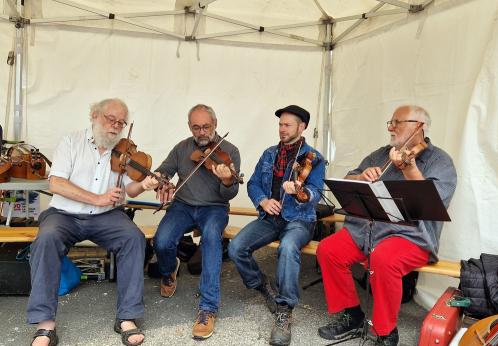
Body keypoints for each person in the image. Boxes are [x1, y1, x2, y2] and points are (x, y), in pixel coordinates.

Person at [316, 105, 457, 346]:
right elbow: (349, 178)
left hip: (412, 236)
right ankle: (352, 315)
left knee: (383, 260)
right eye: (390, 122)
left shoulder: (440, 161)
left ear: (418, 126)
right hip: (368, 229)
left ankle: (386, 332)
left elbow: (430, 203)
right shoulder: (382, 153)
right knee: (328, 250)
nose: (391, 127)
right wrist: (361, 177)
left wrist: (409, 167)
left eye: (397, 122)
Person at [28, 98, 159, 346]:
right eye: (111, 119)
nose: (116, 126)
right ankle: (45, 325)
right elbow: (56, 183)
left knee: (133, 238)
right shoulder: (71, 142)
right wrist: (98, 198)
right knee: (46, 239)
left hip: (106, 217)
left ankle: (127, 318)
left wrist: (144, 184)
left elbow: (130, 190)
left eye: (121, 123)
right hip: (65, 214)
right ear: (95, 115)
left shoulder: (123, 151)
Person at [228, 105, 325, 346]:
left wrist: (300, 191)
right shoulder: (269, 153)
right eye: (280, 124)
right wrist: (263, 200)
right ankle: (262, 285)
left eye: (287, 125)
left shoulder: (313, 158)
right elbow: (252, 184)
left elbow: (316, 192)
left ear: (301, 127)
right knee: (236, 247)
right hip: (271, 218)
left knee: (288, 248)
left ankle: (284, 310)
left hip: (299, 219)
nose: (282, 129)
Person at [152, 104, 241, 340]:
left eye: (206, 127)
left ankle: (208, 308)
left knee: (212, 239)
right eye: (196, 127)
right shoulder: (182, 148)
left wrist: (227, 181)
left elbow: (229, 194)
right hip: (183, 205)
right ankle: (169, 270)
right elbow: (164, 170)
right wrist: (160, 180)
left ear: (215, 124)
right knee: (161, 241)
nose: (202, 132)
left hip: (214, 207)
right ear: (189, 127)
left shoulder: (229, 151)